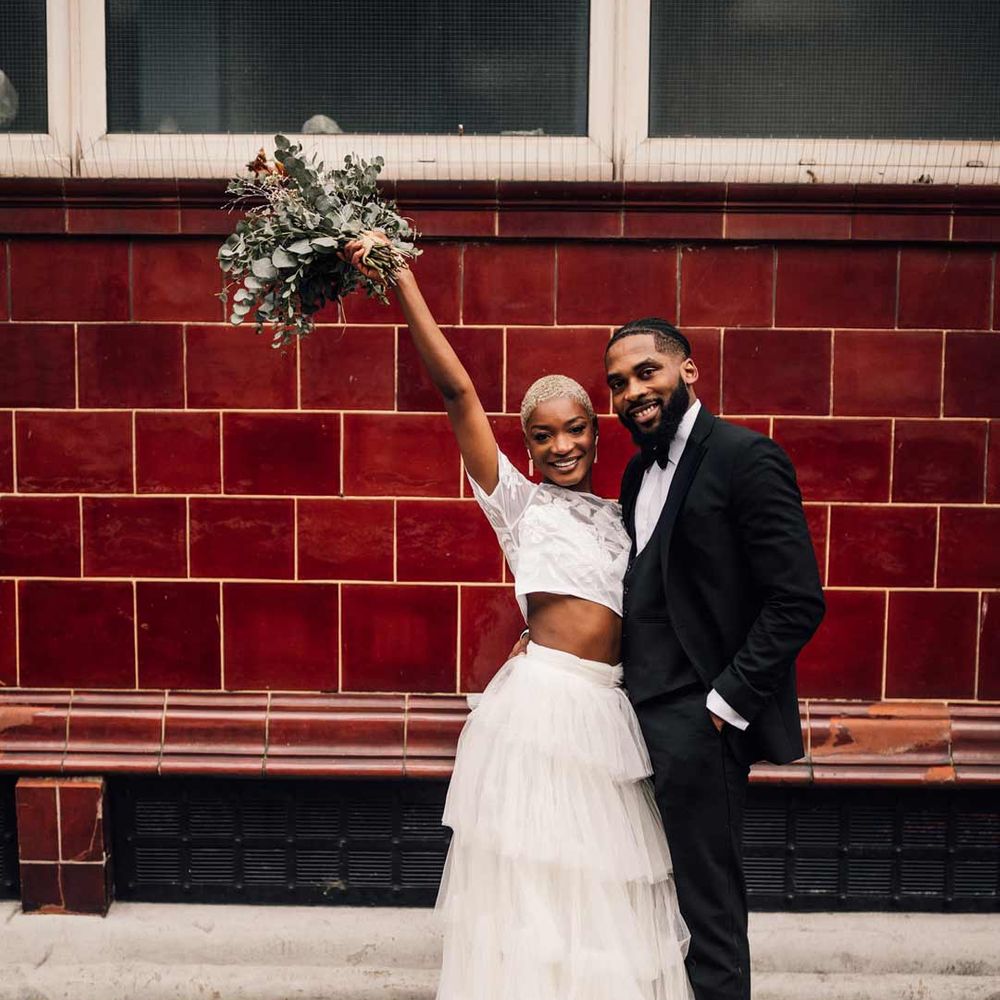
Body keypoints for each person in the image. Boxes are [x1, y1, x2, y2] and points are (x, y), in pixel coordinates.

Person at [342, 240, 693, 1000]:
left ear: (596, 431)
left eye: (575, 429)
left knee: (602, 897)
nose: (561, 445)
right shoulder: (519, 507)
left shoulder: (627, 513)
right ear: (527, 447)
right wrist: (401, 279)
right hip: (541, 714)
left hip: (609, 716)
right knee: (535, 898)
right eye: (542, 435)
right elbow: (457, 394)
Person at [604, 318, 826, 1000]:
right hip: (630, 719)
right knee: (648, 904)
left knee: (709, 916)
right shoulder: (636, 473)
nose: (633, 392)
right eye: (618, 383)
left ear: (688, 371)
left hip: (700, 722)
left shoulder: (746, 457)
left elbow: (797, 600)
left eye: (647, 372)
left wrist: (724, 705)